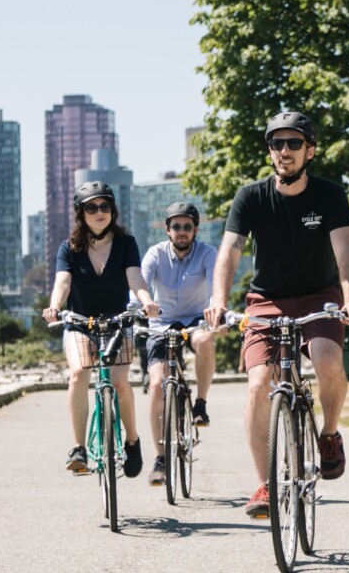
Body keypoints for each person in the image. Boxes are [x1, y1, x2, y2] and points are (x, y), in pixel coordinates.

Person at [204, 111, 349, 519]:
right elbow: (230, 250)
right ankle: (264, 484)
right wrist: (219, 300)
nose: (284, 151)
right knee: (259, 384)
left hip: (319, 297)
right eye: (277, 144)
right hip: (266, 300)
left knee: (329, 360)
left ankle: (328, 434)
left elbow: (345, 253)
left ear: (310, 150)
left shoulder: (330, 195)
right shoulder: (251, 196)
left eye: (293, 143)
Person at [43, 181, 160, 477]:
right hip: (80, 322)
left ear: (113, 211)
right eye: (91, 207)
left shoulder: (126, 244)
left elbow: (136, 280)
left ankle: (132, 439)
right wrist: (54, 305)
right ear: (80, 213)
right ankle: (78, 448)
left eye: (105, 206)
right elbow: (62, 283)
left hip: (118, 322)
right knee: (79, 373)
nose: (99, 213)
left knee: (120, 382)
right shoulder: (68, 248)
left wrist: (147, 302)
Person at [140, 201, 220, 486]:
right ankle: (160, 458)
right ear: (167, 230)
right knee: (158, 384)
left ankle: (200, 403)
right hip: (161, 322)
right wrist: (143, 303)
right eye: (176, 227)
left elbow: (215, 284)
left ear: (196, 229)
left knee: (206, 340)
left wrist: (215, 309)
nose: (182, 232)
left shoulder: (207, 253)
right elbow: (141, 281)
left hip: (195, 319)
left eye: (187, 227)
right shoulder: (155, 254)